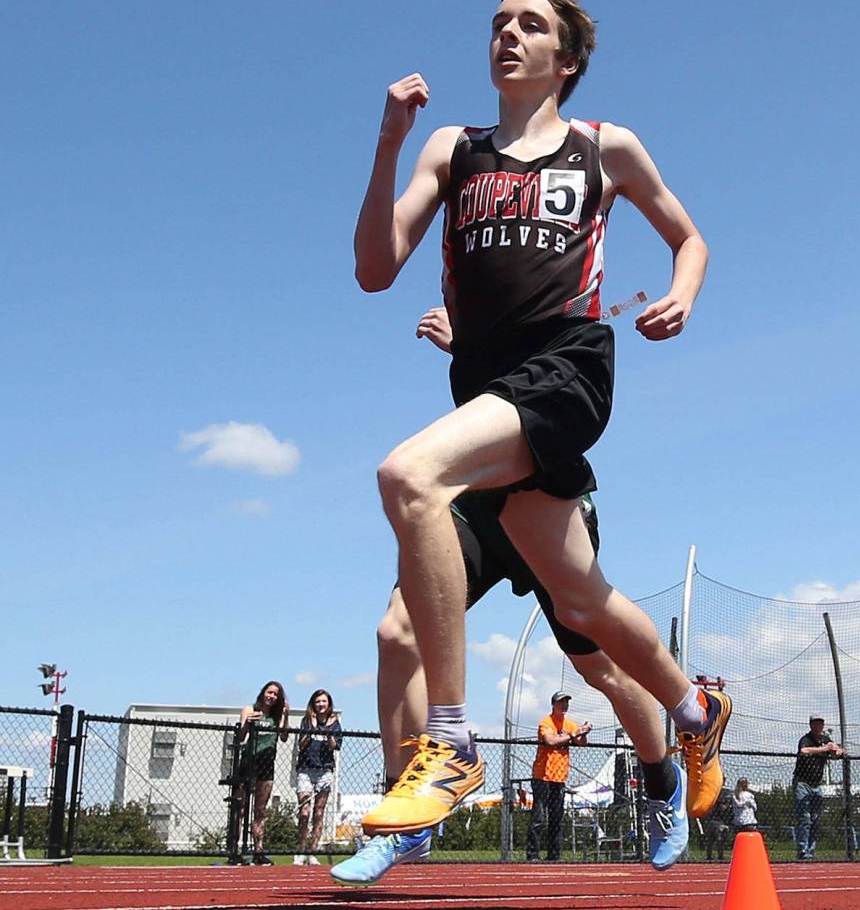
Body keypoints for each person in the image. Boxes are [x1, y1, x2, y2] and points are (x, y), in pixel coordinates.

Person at [354, 0, 728, 841]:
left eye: (528, 25)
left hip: (568, 371)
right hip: (489, 389)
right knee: (586, 602)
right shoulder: (452, 148)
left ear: (565, 59)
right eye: (497, 23)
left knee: (408, 477)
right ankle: (694, 707)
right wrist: (385, 142)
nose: (507, 35)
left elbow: (689, 234)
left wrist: (682, 291)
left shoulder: (605, 145)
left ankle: (448, 745)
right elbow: (376, 268)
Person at [331, 309, 687, 886]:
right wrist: (465, 349)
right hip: (476, 506)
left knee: (603, 672)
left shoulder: (558, 297)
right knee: (396, 633)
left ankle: (662, 782)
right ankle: (407, 822)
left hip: (547, 502)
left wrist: (466, 343)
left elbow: (539, 387)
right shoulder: (478, 273)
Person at [526, 692, 590, 862]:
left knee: (556, 817)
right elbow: (550, 741)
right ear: (553, 704)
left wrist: (583, 732)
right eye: (561, 702)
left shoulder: (569, 724)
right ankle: (532, 854)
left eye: (566, 702)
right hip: (543, 776)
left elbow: (581, 742)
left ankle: (554, 855)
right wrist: (571, 735)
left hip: (560, 777)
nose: (564, 705)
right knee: (539, 816)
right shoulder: (546, 722)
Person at [233, 680, 289, 866]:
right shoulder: (250, 709)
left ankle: (258, 851)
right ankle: (235, 850)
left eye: (275, 694)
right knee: (240, 808)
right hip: (248, 762)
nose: (271, 696)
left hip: (267, 765)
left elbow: (283, 737)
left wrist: (285, 715)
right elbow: (240, 737)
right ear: (263, 692)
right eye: (269, 692)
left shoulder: (276, 716)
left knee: (260, 810)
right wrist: (247, 723)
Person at [294, 689, 342, 865]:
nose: (321, 705)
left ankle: (312, 851)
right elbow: (302, 743)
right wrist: (313, 727)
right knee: (304, 811)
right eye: (318, 701)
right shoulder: (306, 721)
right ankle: (300, 850)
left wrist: (328, 730)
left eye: (324, 701)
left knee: (319, 812)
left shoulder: (334, 723)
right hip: (306, 768)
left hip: (324, 770)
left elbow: (335, 746)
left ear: (328, 704)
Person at [793, 712, 844, 861]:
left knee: (815, 819)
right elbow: (804, 751)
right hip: (803, 783)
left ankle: (811, 850)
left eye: (820, 723)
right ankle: (802, 851)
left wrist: (838, 750)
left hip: (817, 785)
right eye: (815, 723)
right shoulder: (806, 739)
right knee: (805, 818)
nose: (818, 725)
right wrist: (824, 749)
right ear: (811, 725)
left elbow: (836, 751)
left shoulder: (825, 739)